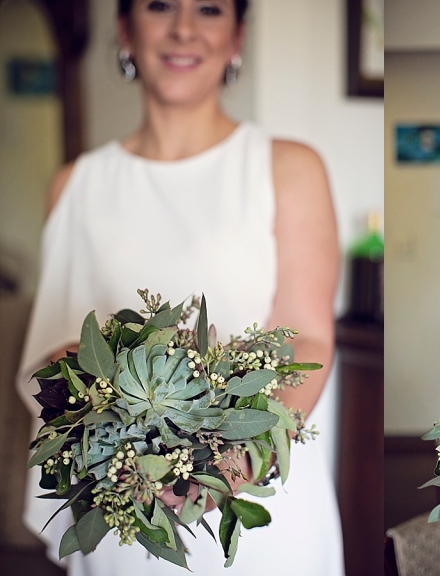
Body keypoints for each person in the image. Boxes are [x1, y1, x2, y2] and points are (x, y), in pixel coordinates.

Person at [15, 0, 344, 574]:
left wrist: (233, 462)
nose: (184, 28)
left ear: (237, 35)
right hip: (125, 493)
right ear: (125, 29)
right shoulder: (77, 184)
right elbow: (58, 350)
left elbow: (307, 339)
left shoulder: (289, 167)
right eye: (160, 5)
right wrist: (129, 446)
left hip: (252, 495)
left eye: (210, 9)